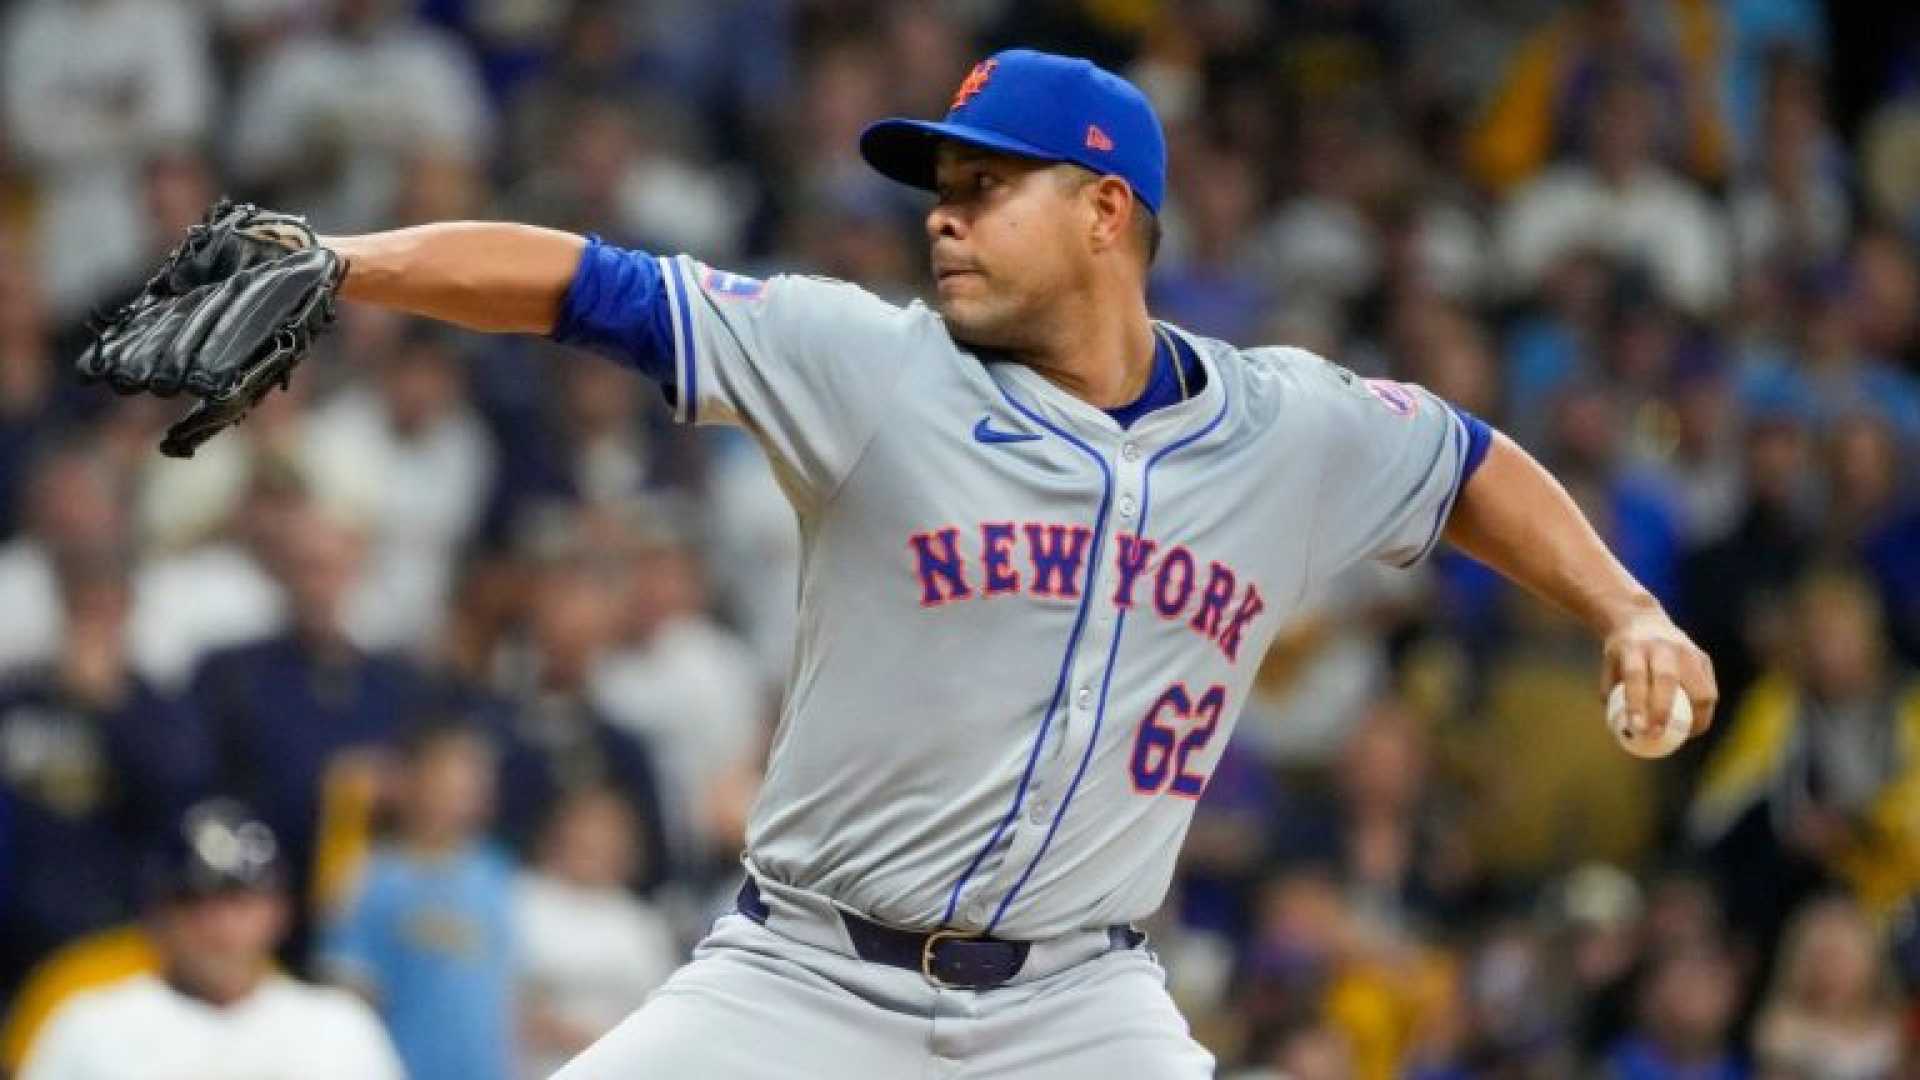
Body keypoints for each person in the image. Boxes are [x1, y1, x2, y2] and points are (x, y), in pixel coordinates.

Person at [108, 47, 1718, 1078]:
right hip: (802, 980)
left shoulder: (1285, 431)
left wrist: (1628, 607)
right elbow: (581, 284)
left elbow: (1467, 465)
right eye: (938, 190)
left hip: (1078, 1009)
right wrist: (349, 261)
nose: (942, 220)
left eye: (983, 187)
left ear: (1108, 212)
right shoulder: (868, 366)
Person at [17, 799, 403, 1079]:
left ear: (279, 912)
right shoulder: (90, 1028)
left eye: (238, 902)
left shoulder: (339, 1029)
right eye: (193, 903)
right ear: (156, 916)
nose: (218, 927)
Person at [319, 718, 516, 1080]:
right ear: (408, 781)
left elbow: (506, 990)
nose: (460, 793)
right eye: (446, 779)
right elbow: (348, 992)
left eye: (473, 781)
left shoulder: (496, 873)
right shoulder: (370, 877)